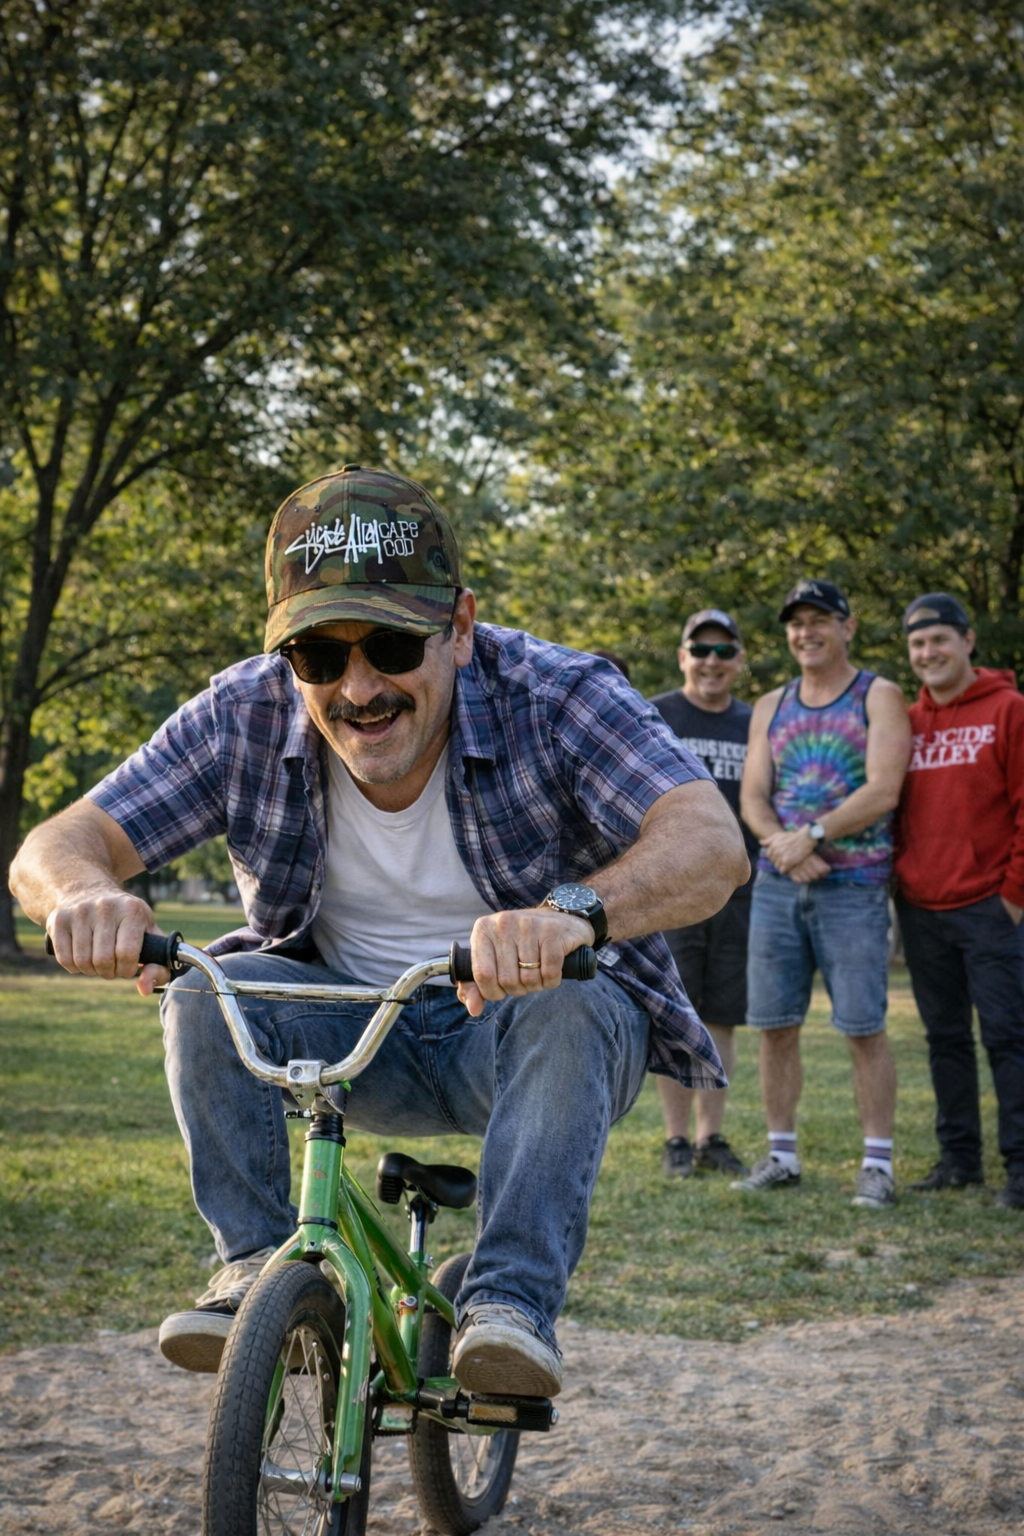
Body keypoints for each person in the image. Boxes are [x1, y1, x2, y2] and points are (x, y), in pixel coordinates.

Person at [10, 465, 748, 1397]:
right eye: (318, 656)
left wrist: (570, 916)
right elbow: (55, 845)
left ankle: (509, 1308)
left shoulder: (556, 693)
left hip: (523, 1033)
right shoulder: (244, 711)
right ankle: (257, 1275)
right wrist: (84, 895)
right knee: (202, 990)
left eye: (392, 644)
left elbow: (712, 843)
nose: (358, 688)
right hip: (346, 1032)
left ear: (461, 628)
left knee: (572, 1001)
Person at [736, 579, 911, 1208]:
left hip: (854, 887)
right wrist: (782, 844)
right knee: (774, 1025)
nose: (805, 633)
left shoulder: (879, 695)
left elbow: (884, 789)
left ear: (847, 627)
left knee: (863, 1027)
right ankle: (781, 1155)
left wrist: (810, 835)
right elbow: (753, 796)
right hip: (779, 886)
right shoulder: (771, 704)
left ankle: (878, 1165)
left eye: (819, 621)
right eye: (796, 623)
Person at [894, 593, 1024, 1211]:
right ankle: (959, 1159)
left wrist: (1013, 897)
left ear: (967, 641)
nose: (929, 653)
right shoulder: (906, 722)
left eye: (940, 639)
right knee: (945, 1039)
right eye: (918, 644)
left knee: (1008, 1037)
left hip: (991, 907)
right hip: (922, 908)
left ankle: (1020, 1168)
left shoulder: (1009, 710)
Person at [648, 608, 757, 1179]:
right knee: (675, 1016)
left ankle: (711, 1136)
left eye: (724, 651)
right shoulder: (656, 713)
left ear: (739, 661)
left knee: (722, 1017)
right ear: (683, 657)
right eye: (701, 650)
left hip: (738, 891)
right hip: (673, 891)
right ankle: (675, 1140)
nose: (712, 661)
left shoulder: (755, 722)